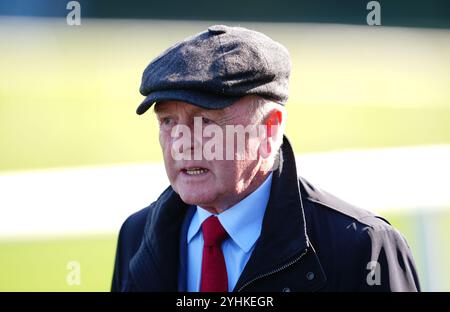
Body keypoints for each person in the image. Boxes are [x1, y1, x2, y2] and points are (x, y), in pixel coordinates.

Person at [111, 25, 420, 292]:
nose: (181, 143)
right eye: (167, 121)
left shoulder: (364, 249)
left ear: (268, 129)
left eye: (204, 121)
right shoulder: (137, 236)